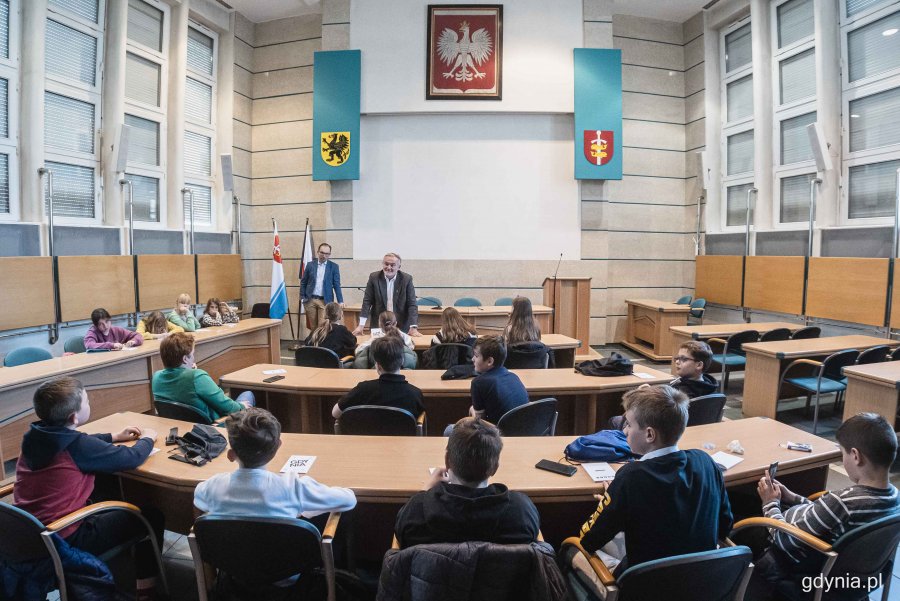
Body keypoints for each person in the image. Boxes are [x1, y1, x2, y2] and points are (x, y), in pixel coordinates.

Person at [13, 377, 162, 597]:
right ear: (74, 416)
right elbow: (131, 457)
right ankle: (147, 590)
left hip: (30, 534)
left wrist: (113, 436)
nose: (90, 404)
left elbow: (78, 440)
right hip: (66, 537)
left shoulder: (35, 436)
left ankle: (119, 569)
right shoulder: (78, 447)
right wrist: (148, 438)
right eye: (87, 402)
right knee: (151, 515)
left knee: (105, 487)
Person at [569, 385, 732, 576]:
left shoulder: (630, 476)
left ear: (649, 434)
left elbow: (589, 539)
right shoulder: (705, 461)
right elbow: (725, 526)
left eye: (629, 424)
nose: (625, 431)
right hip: (704, 579)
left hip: (645, 585)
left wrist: (612, 498)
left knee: (571, 551)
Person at [751, 413, 900, 595]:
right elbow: (826, 515)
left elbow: (785, 540)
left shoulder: (843, 503)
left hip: (807, 569)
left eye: (842, 453)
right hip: (860, 577)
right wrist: (792, 498)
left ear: (855, 456)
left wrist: (770, 503)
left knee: (748, 527)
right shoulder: (894, 497)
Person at [394, 417, 540, 548]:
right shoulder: (521, 511)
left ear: (447, 462)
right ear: (495, 468)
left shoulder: (417, 512)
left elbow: (401, 536)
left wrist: (424, 492)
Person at [194, 407, 356, 519]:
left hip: (228, 565)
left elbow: (198, 497)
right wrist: (305, 509)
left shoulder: (213, 486)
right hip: (287, 568)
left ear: (231, 455)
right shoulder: (293, 486)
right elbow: (349, 499)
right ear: (278, 447)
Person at [152, 332, 254, 422]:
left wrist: (189, 371)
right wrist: (242, 407)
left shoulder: (156, 377)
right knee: (248, 394)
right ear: (185, 359)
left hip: (180, 428)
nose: (193, 358)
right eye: (192, 354)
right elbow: (228, 408)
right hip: (213, 426)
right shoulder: (196, 376)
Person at [332, 336, 424, 419]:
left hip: (366, 437)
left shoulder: (362, 389)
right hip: (405, 438)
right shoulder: (415, 394)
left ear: (377, 365)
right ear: (402, 361)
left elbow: (335, 413)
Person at [352, 252, 420, 337]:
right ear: (382, 264)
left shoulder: (406, 279)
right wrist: (361, 326)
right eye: (386, 264)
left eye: (392, 265)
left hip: (401, 325)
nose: (389, 267)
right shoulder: (374, 277)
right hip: (379, 325)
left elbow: (412, 304)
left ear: (399, 267)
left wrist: (413, 326)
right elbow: (367, 302)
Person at [469, 336, 529, 424]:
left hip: (498, 435)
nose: (472, 359)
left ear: (489, 361)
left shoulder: (478, 383)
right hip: (524, 431)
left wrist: (472, 410)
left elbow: (480, 423)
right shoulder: (514, 377)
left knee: (449, 429)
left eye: (476, 356)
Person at [300, 242, 345, 328]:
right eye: (322, 253)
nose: (324, 255)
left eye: (327, 253)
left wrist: (340, 301)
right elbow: (303, 282)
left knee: (323, 326)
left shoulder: (334, 267)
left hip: (324, 301)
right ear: (318, 252)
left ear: (330, 254)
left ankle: (321, 341)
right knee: (313, 327)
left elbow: (336, 285)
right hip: (310, 300)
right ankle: (314, 341)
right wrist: (302, 297)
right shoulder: (310, 265)